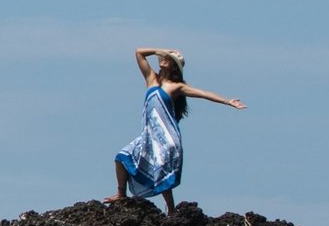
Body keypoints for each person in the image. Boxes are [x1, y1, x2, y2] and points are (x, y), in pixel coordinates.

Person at [105, 46, 245, 215]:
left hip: (166, 136)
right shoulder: (151, 79)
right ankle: (121, 193)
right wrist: (161, 49)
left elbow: (202, 93)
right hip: (149, 136)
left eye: (168, 59)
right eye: (163, 58)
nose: (163, 59)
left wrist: (227, 101)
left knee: (163, 169)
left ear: (173, 67)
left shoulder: (175, 87)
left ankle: (170, 209)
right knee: (121, 157)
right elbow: (139, 53)